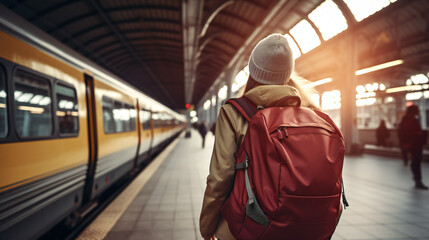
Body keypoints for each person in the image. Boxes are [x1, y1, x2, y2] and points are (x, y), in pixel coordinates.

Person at [199, 34, 322, 240]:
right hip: (300, 226)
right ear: (288, 72)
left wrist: (208, 227)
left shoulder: (234, 112)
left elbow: (220, 178)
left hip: (248, 226)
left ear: (253, 71)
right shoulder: (311, 113)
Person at [398, 105, 428, 190]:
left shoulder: (405, 119)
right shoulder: (411, 120)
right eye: (417, 110)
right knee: (416, 161)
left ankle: (417, 179)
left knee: (415, 161)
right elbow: (410, 133)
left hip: (412, 144)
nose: (419, 111)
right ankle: (418, 180)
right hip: (415, 144)